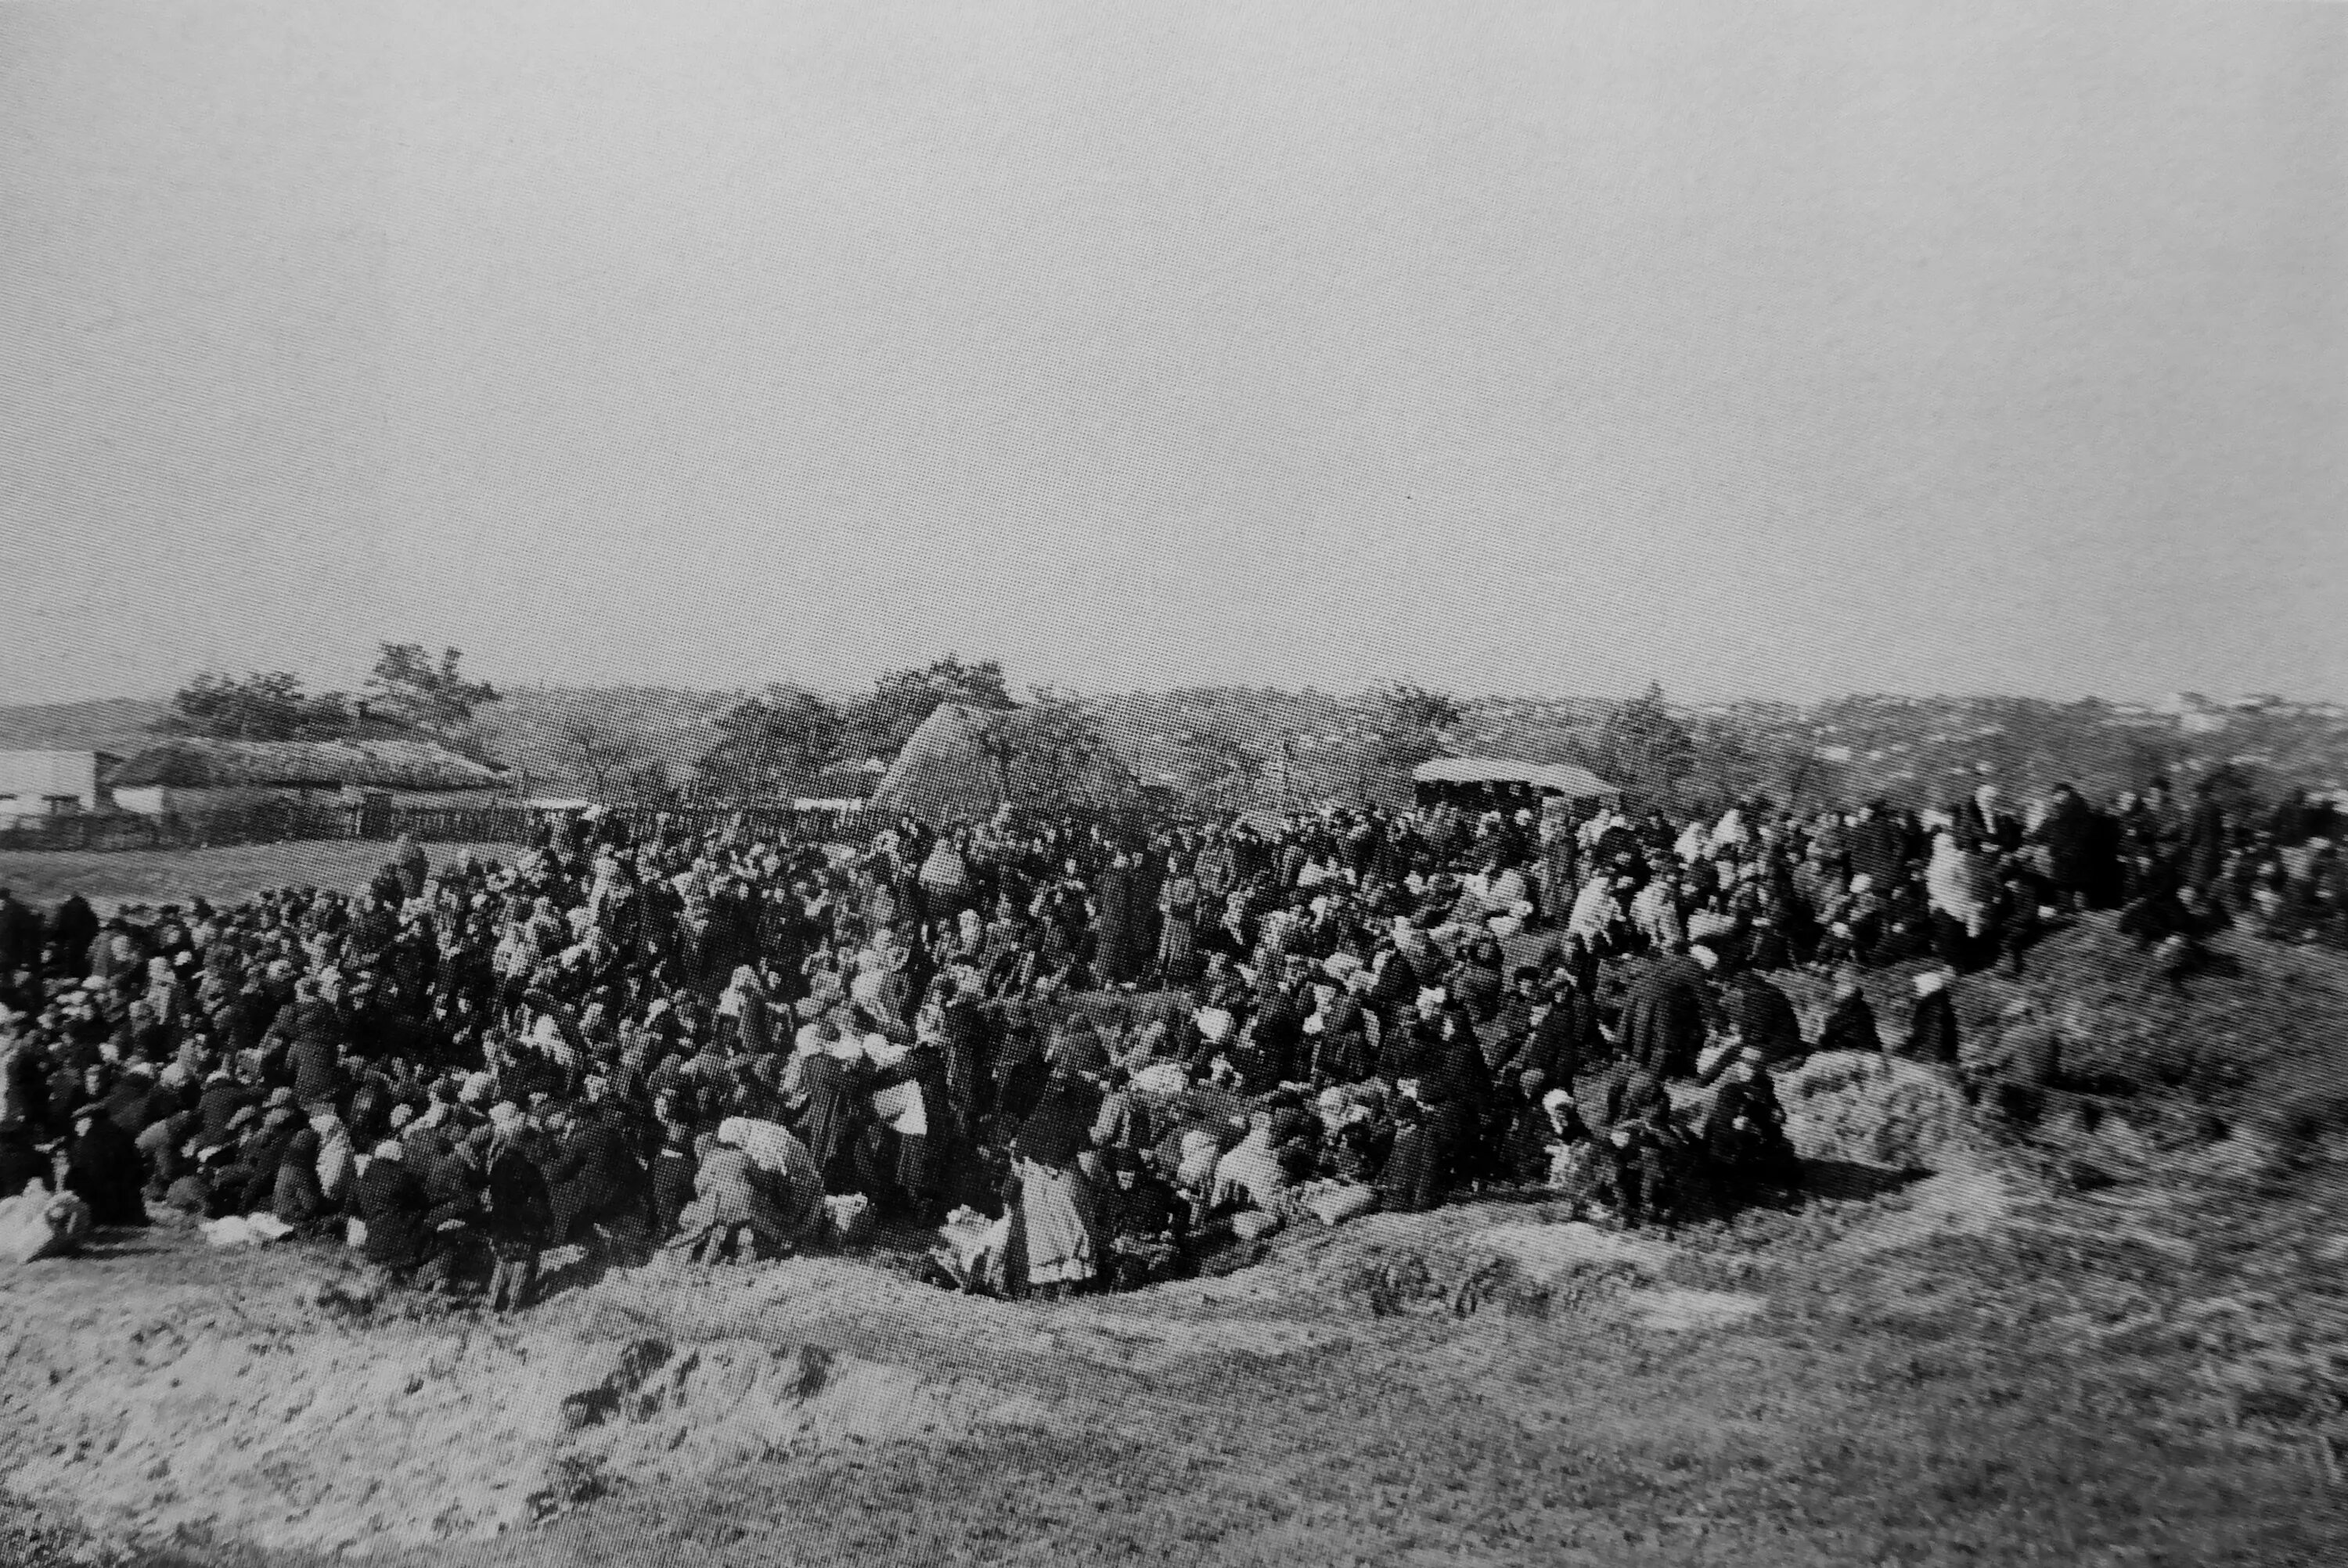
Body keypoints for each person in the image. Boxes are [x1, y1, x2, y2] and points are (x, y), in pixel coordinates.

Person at [483, 1104, 555, 1311]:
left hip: (501, 1218)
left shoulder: (497, 1161)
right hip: (524, 1220)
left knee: (504, 1258)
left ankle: (493, 1299)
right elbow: (539, 1194)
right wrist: (544, 1219)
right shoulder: (526, 1165)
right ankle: (516, 1300)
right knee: (523, 1260)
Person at [1901, 970, 1961, 1066]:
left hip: (1938, 1057)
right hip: (1943, 1054)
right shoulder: (1940, 1006)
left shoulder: (1929, 1008)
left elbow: (1931, 1032)